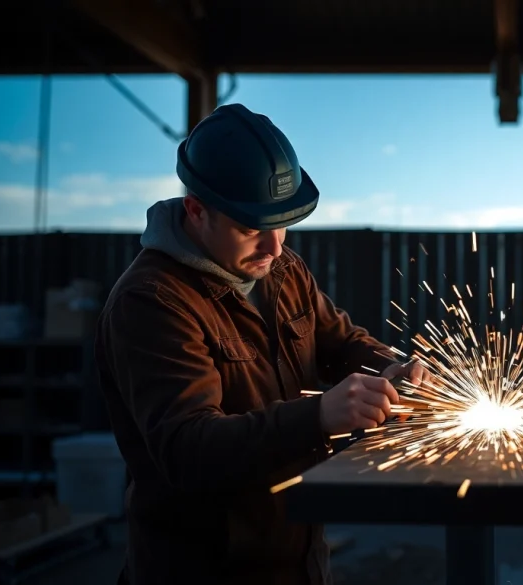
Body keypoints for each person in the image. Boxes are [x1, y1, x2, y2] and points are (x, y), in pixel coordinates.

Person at [95, 103, 427, 585]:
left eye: (282, 224)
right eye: (252, 229)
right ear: (196, 211)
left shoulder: (283, 269)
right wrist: (318, 416)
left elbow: (341, 341)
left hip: (299, 558)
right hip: (203, 570)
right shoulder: (151, 302)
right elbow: (188, 449)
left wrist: (396, 366)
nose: (274, 247)